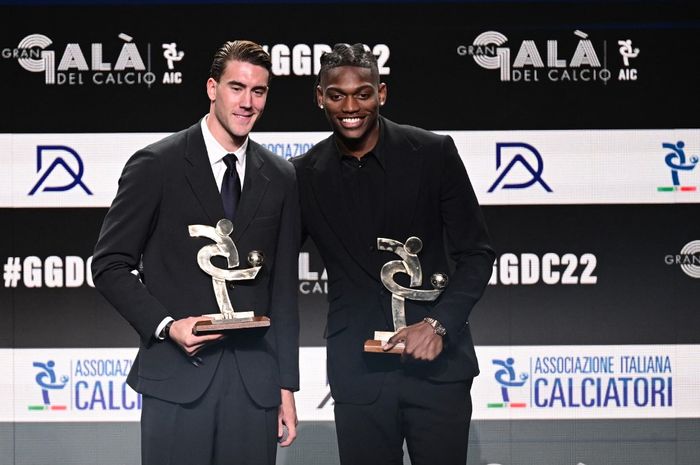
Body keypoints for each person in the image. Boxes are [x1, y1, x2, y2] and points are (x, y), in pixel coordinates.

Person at [92, 40, 300, 465]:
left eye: (258, 91)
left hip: (253, 388)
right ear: (212, 88)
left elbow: (282, 291)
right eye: (236, 88)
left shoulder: (280, 176)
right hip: (176, 381)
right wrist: (167, 326)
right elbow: (110, 264)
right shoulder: (156, 164)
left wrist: (285, 387)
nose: (247, 102)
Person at [292, 43, 495, 465]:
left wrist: (439, 325)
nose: (351, 106)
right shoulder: (302, 176)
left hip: (438, 370)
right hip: (359, 376)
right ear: (319, 97)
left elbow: (476, 253)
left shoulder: (434, 153)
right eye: (337, 95)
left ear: (381, 93)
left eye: (362, 93)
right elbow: (271, 268)